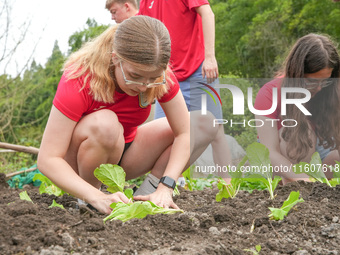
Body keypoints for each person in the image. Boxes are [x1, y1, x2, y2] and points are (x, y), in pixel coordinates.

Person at [37, 16, 218, 214]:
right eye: (135, 76)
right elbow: (48, 158)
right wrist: (97, 196)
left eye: (153, 78)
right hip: (81, 160)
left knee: (204, 123)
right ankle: (89, 200)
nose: (143, 86)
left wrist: (166, 186)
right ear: (116, 58)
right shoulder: (80, 77)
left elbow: (185, 133)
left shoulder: (160, 77)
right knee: (105, 124)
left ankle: (150, 194)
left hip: (127, 152)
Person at [138, 0, 232, 180]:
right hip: (166, 76)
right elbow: (146, 34)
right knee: (164, 135)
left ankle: (228, 185)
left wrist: (210, 57)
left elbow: (207, 13)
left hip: (198, 69)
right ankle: (167, 184)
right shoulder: (145, 2)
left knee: (216, 129)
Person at [254, 33, 340, 184]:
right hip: (285, 160)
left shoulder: (330, 91)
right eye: (312, 82)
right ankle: (295, 192)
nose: (319, 88)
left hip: (320, 157)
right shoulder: (269, 94)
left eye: (325, 81)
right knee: (300, 130)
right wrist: (305, 180)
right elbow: (269, 153)